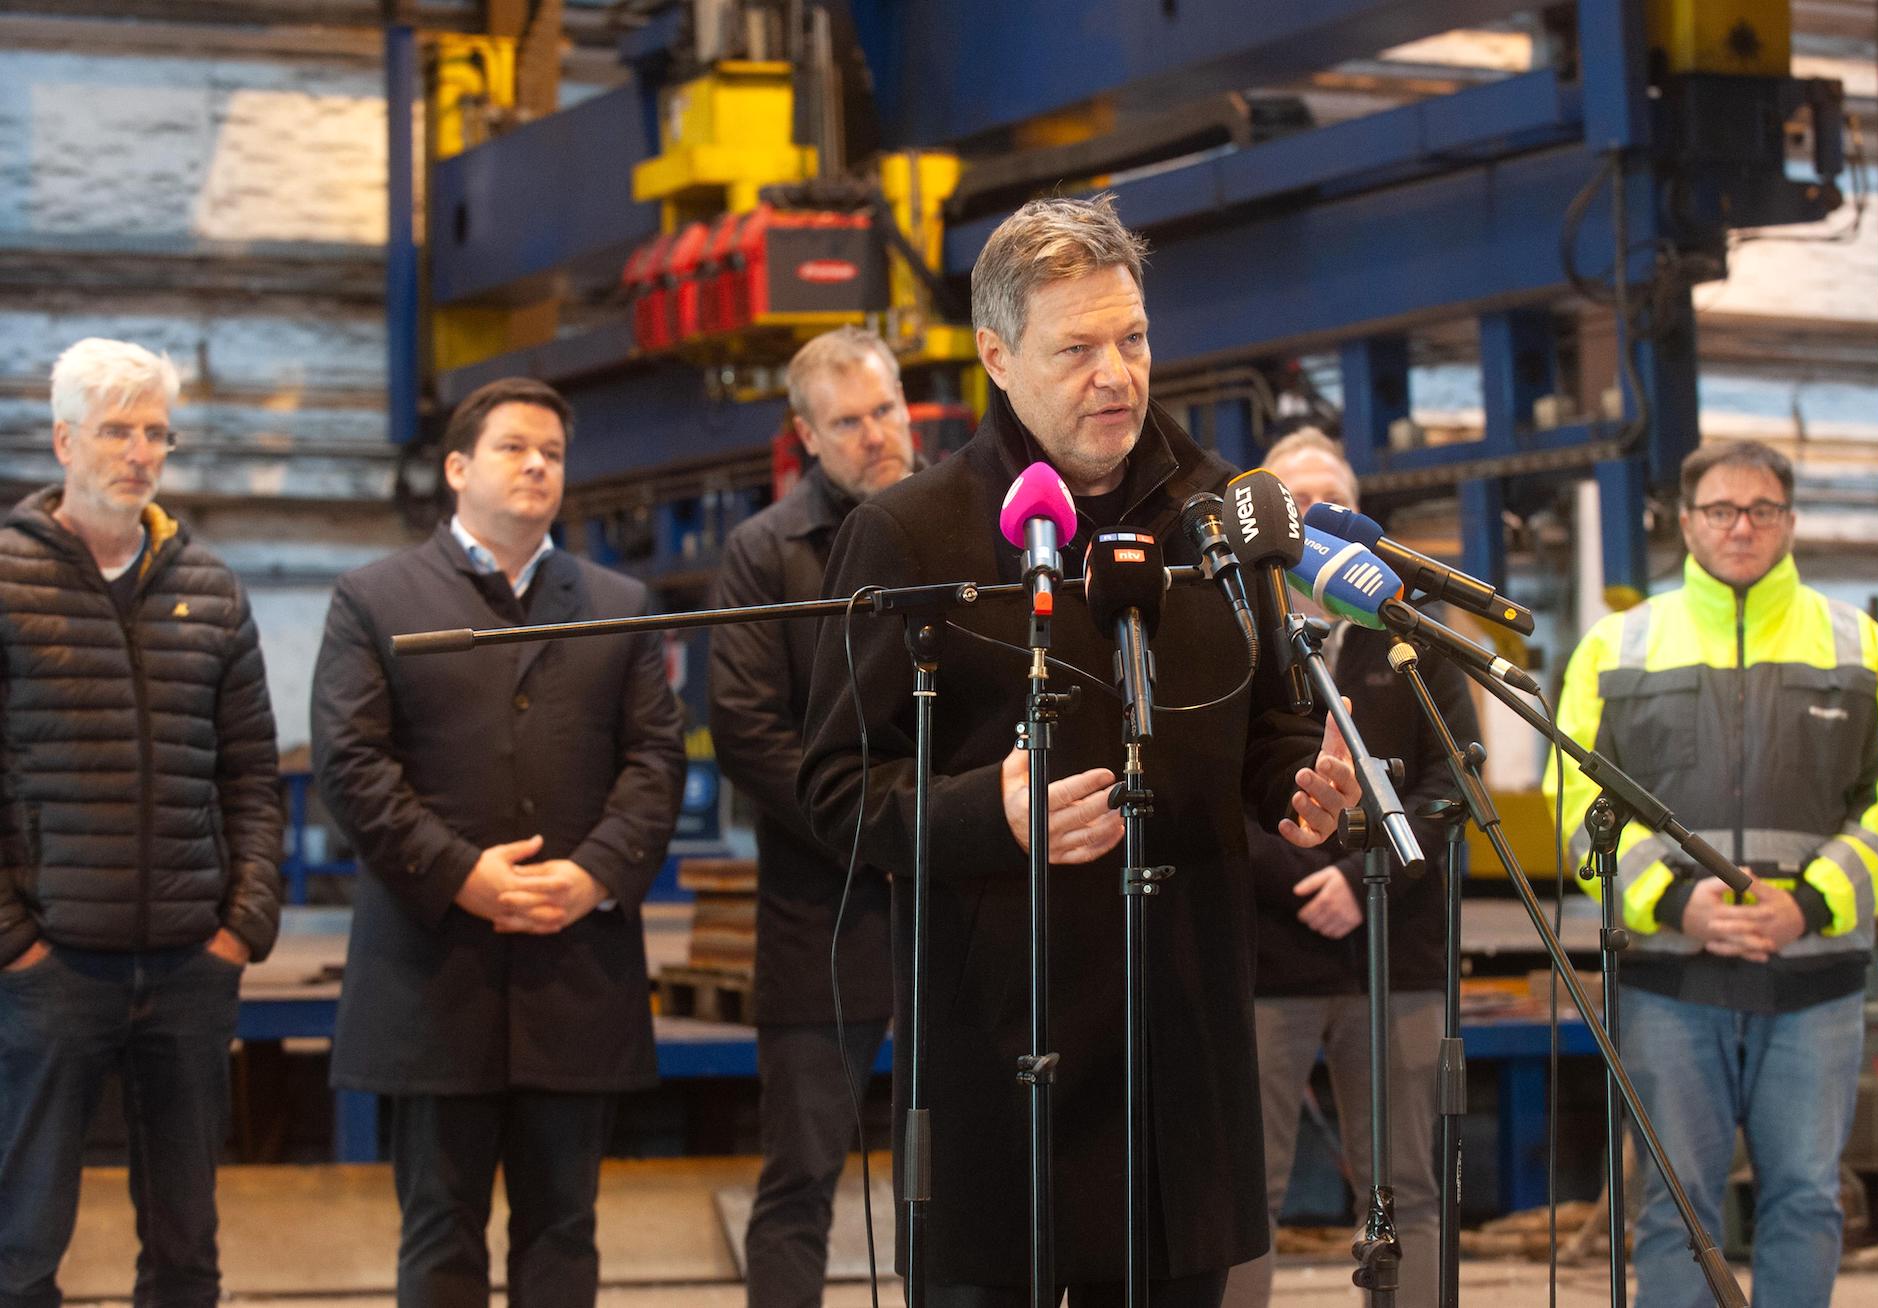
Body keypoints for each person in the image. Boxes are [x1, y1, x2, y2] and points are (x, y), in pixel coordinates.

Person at [798, 194, 1362, 1308]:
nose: (1116, 374)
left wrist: (1298, 783)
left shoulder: (1220, 514)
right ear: (997, 358)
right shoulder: (910, 536)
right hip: (997, 1073)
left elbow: (1272, 715)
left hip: (1183, 1063)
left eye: (1133, 338)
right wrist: (984, 815)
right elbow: (833, 789)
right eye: (1076, 349)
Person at [311, 377, 687, 1308]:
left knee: (565, 1231)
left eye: (552, 454)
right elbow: (351, 763)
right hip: (435, 975)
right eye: (515, 448)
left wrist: (593, 873)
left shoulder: (618, 602)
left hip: (576, 969)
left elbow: (656, 760)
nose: (536, 467)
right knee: (439, 1234)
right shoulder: (375, 598)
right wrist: (461, 875)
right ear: (457, 468)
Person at [1546, 440, 1878, 1308]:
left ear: (1790, 522)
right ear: (1686, 522)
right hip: (1672, 980)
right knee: (1677, 1206)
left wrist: (1811, 904)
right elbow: (1575, 800)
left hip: (1815, 980)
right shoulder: (1617, 648)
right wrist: (1679, 903)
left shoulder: (1866, 650)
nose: (1742, 526)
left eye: (1762, 509)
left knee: (1805, 1198)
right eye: (1721, 510)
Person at [0, 337, 284, 1307]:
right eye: (117, 430)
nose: (139, 451)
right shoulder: (4, 578)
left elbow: (252, 774)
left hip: (188, 971)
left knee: (185, 1248)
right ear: (64, 439)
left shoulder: (209, 589)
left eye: (155, 432)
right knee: (21, 1243)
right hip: (49, 970)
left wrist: (238, 928)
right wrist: (13, 947)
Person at [1220, 428, 1478, 1308]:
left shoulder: (1414, 637)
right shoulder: (1229, 636)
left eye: (1335, 502)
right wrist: (1298, 870)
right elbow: (1212, 785)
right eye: (1298, 503)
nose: (1318, 523)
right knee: (1241, 1196)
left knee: (1407, 1190)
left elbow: (1456, 777)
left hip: (1392, 957)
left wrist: (1365, 877)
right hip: (1262, 960)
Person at [708, 327, 915, 1308]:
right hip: (818, 915)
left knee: (950, 1180)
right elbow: (748, 733)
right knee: (799, 1181)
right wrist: (875, 833)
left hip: (950, 905)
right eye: (848, 422)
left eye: (885, 411)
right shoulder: (764, 553)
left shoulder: (964, 526)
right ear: (805, 434)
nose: (875, 436)